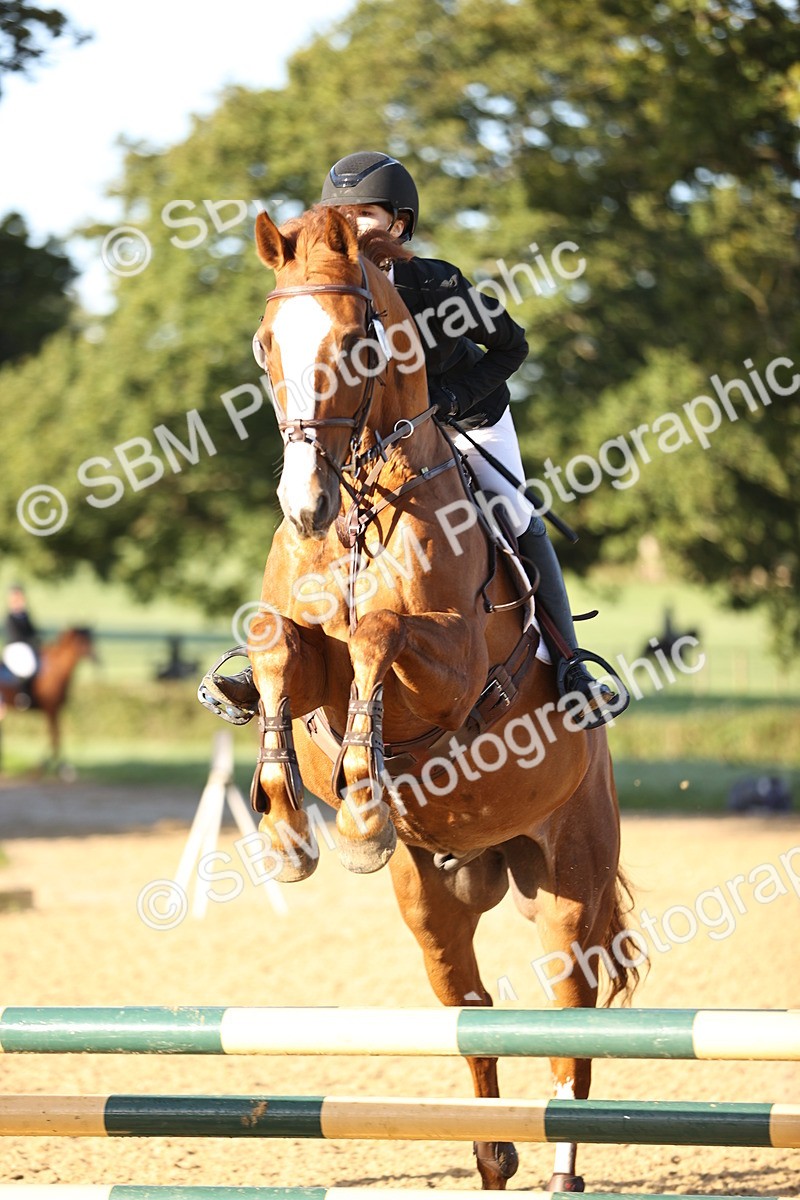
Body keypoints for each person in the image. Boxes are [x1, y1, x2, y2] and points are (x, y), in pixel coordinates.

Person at [199, 151, 621, 728]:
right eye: (341, 215)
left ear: (399, 224)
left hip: (468, 419)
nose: (351, 227)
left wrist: (448, 401)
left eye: (365, 215)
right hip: (375, 434)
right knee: (308, 512)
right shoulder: (329, 295)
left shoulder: (438, 284)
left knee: (516, 513)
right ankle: (264, 656)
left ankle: (572, 668)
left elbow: (511, 347)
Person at [0, 584, 40, 709]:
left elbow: (33, 631)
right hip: (17, 648)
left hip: (28, 647)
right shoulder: (10, 618)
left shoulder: (25, 616)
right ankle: (22, 694)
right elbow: (16, 635)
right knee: (25, 666)